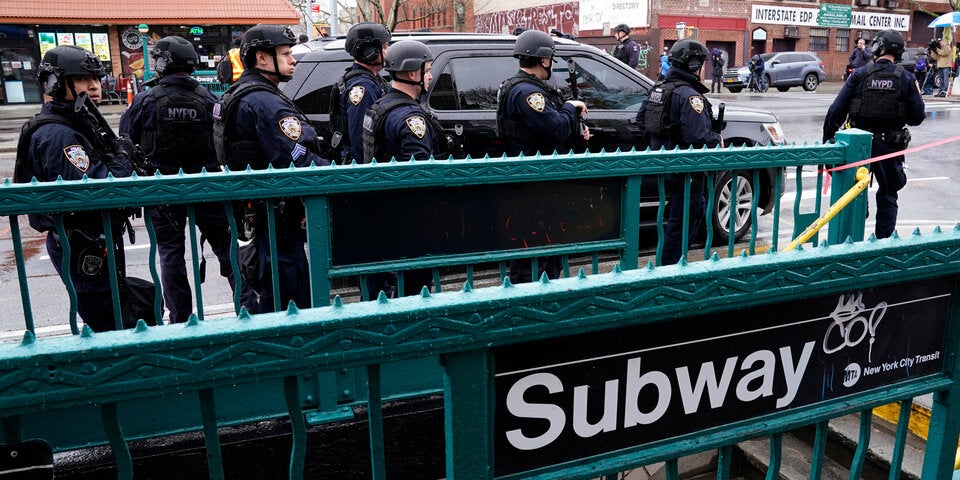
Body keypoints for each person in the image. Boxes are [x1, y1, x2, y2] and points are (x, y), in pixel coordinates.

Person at [120, 36, 258, 322]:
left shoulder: (146, 100)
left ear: (162, 63)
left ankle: (181, 320)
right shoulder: (209, 99)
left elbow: (125, 144)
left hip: (162, 192)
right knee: (227, 250)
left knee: (171, 256)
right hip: (207, 188)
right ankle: (248, 311)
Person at [14, 45, 137, 331]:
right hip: (82, 241)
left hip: (91, 237)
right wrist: (123, 159)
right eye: (81, 79)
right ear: (56, 83)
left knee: (120, 311)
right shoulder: (59, 134)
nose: (94, 86)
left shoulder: (78, 121)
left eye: (96, 78)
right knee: (108, 323)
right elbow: (97, 189)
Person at [213, 24, 331, 313]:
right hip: (278, 212)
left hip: (263, 210)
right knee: (289, 293)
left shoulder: (245, 92)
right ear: (262, 58)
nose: (293, 60)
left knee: (275, 288)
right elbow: (296, 159)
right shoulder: (264, 101)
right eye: (285, 53)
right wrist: (336, 170)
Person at [496, 29, 590, 283]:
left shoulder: (519, 87)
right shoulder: (529, 93)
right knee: (538, 251)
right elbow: (555, 128)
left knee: (541, 248)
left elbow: (547, 126)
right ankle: (534, 299)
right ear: (545, 60)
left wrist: (575, 125)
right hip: (536, 182)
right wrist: (570, 108)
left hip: (533, 179)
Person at [823, 29, 924, 240]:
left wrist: (827, 143)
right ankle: (883, 245)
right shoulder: (906, 78)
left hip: (858, 148)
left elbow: (835, 111)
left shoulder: (859, 75)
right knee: (888, 195)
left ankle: (851, 242)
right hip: (890, 147)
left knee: (854, 193)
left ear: (878, 47)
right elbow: (917, 117)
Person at [361, 40, 442, 296]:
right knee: (415, 290)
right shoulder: (411, 118)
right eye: (427, 70)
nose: (430, 76)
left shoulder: (378, 107)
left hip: (380, 212)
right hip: (409, 220)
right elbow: (420, 174)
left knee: (380, 290)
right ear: (412, 73)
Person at [635, 38, 722, 266]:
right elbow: (698, 136)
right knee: (685, 220)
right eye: (700, 63)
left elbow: (642, 121)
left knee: (676, 219)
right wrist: (717, 139)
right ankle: (672, 268)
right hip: (687, 171)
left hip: (665, 167)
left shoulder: (658, 89)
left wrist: (665, 140)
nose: (702, 68)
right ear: (692, 64)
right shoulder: (689, 96)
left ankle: (669, 265)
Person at [329, 22, 391, 163]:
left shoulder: (370, 79)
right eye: (385, 46)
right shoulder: (364, 87)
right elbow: (362, 139)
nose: (388, 51)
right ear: (370, 52)